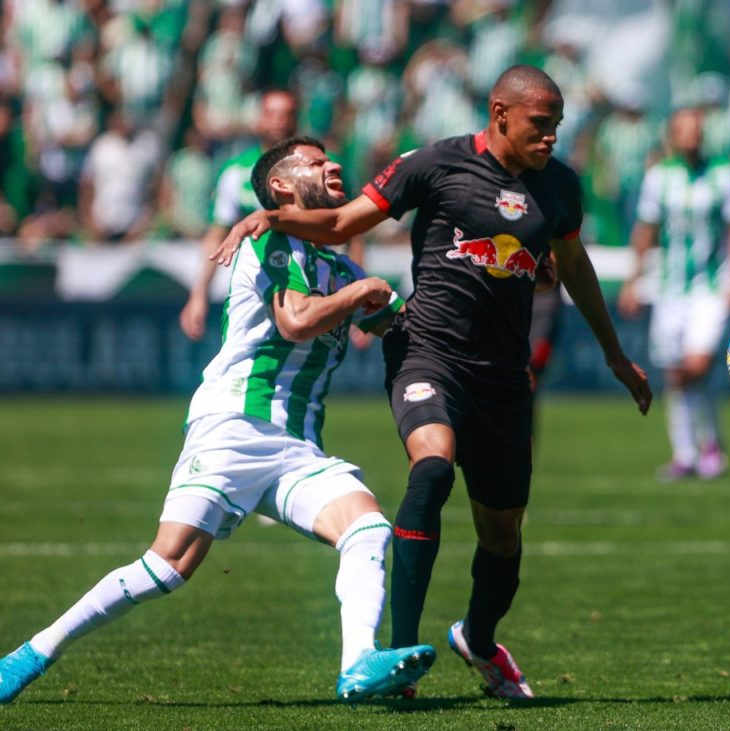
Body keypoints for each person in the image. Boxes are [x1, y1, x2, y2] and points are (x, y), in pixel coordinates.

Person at [212, 64, 652, 699]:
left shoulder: (559, 187)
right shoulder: (435, 164)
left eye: (556, 125)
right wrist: (272, 220)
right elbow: (342, 224)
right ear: (501, 113)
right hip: (427, 351)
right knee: (433, 468)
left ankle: (477, 637)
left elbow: (575, 265)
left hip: (504, 375)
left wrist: (615, 354)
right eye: (540, 123)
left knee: (503, 537)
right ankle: (398, 656)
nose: (552, 136)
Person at [0, 135, 436, 706]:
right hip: (233, 427)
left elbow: (403, 328)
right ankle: (32, 653)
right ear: (281, 187)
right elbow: (295, 322)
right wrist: (361, 294)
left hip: (297, 446)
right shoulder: (274, 240)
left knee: (367, 527)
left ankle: (357, 664)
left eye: (331, 156)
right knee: (168, 566)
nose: (332, 164)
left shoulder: (340, 263)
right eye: (314, 161)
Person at [618, 105, 730, 482]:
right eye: (685, 130)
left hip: (709, 287)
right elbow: (646, 229)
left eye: (697, 129)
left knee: (696, 366)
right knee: (676, 374)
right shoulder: (659, 178)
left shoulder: (724, 175)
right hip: (670, 289)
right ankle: (688, 453)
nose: (692, 136)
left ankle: (706, 445)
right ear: (673, 135)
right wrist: (634, 279)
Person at [178, 88, 299, 341]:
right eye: (271, 113)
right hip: (254, 288)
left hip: (308, 285)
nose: (279, 120)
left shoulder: (319, 168)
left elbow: (349, 232)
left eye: (287, 113)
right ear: (258, 120)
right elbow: (217, 235)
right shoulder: (236, 171)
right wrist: (199, 294)